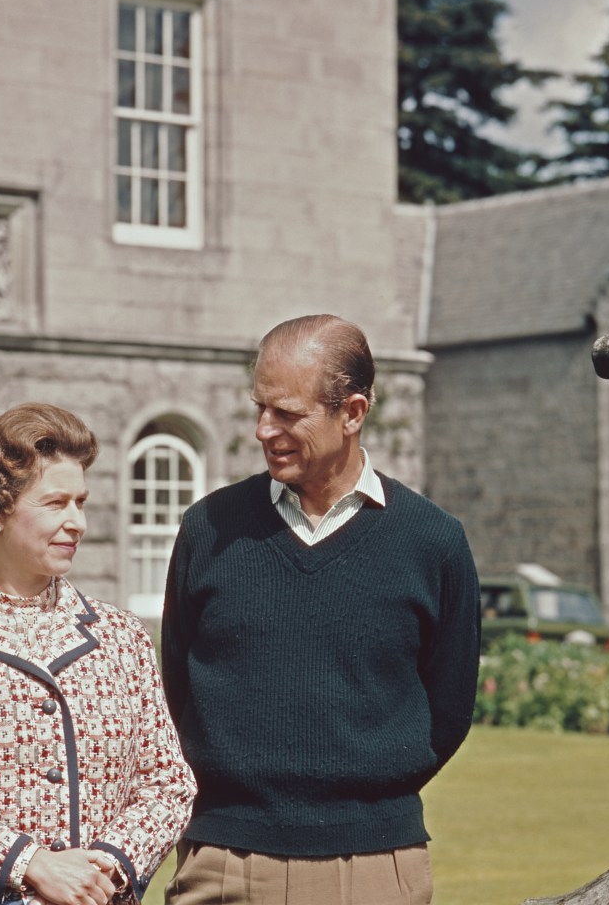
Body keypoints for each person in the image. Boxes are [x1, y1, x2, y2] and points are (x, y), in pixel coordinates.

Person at [161, 315, 480, 905]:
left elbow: (450, 709)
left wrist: (365, 804)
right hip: (223, 862)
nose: (263, 429)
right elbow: (176, 687)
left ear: (352, 413)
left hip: (375, 866)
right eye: (260, 407)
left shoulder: (433, 541)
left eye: (286, 413)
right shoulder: (207, 529)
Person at [0, 402, 196, 905]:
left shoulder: (123, 636)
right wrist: (29, 864)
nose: (78, 522)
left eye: (81, 502)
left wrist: (103, 869)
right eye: (55, 503)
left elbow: (168, 784)